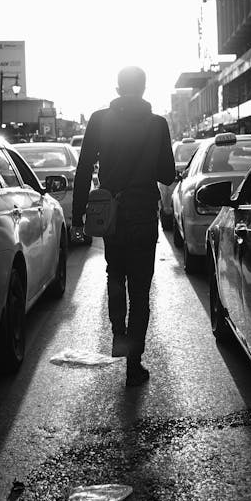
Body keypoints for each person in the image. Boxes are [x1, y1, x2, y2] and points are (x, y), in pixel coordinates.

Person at [71, 66, 175, 387]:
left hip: (111, 215)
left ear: (118, 88)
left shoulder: (100, 120)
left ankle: (118, 332)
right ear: (143, 89)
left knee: (115, 274)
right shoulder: (158, 124)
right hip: (143, 213)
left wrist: (78, 216)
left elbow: (84, 168)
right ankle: (134, 363)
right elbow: (167, 174)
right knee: (141, 289)